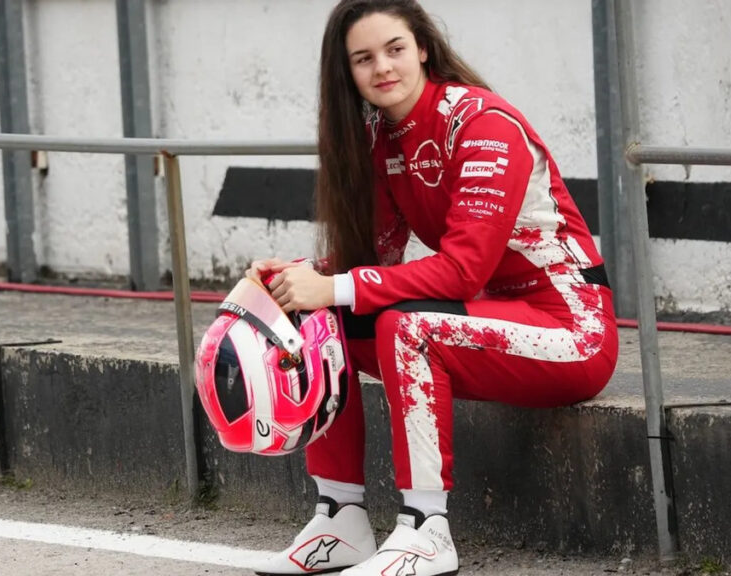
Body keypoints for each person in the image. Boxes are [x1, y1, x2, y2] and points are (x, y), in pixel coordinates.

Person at [248, 1, 618, 574]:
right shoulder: (383, 140)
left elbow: (463, 271)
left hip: (573, 333)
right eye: (363, 59)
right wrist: (291, 279)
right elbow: (373, 261)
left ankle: (426, 530)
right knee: (318, 320)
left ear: (422, 47)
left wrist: (335, 285)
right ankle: (340, 518)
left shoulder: (483, 124)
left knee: (407, 329)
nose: (382, 67)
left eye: (394, 49)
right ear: (347, 72)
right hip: (488, 321)